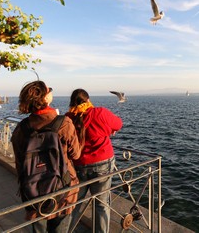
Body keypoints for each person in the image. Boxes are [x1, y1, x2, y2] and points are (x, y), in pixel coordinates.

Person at [11, 81, 81, 233]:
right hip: (63, 189)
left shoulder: (21, 128)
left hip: (33, 190)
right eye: (49, 90)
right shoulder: (64, 123)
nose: (51, 92)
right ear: (44, 98)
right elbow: (76, 154)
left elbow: (19, 162)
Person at [66, 88, 123, 233]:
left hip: (79, 165)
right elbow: (118, 124)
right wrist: (108, 130)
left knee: (74, 204)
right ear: (88, 99)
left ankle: (66, 230)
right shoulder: (99, 112)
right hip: (103, 163)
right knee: (102, 204)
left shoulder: (68, 118)